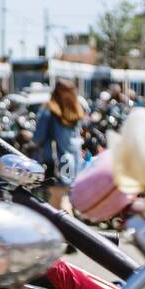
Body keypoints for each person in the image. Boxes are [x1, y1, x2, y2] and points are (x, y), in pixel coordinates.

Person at [33, 78, 85, 211]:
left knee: (59, 203)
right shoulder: (75, 112)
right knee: (61, 200)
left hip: (54, 163)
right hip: (73, 162)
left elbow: (38, 138)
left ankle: (71, 231)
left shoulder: (49, 112)